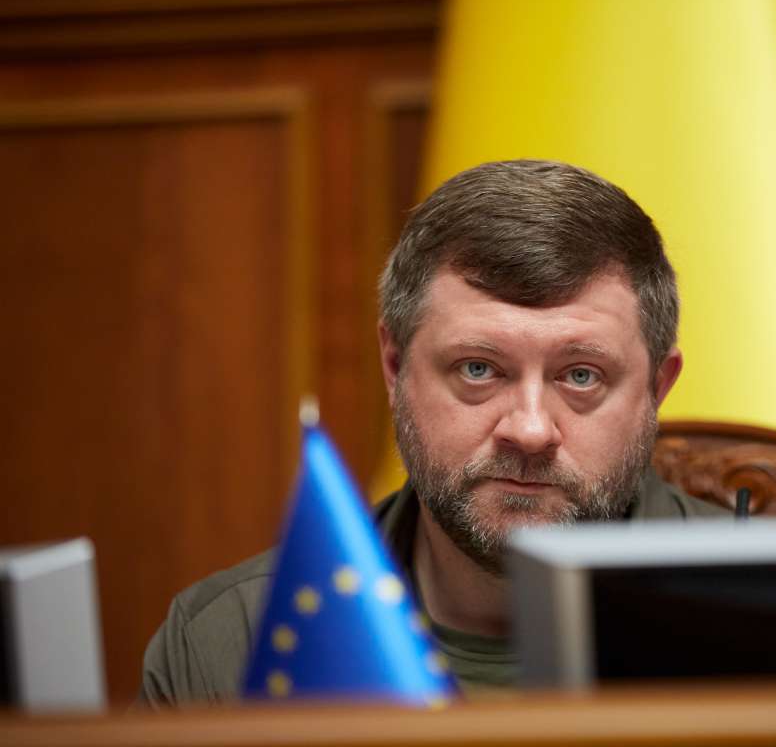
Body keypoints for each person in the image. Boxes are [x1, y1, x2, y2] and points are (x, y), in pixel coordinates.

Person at [138, 159, 727, 706]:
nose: (529, 430)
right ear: (394, 368)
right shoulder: (232, 645)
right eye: (478, 369)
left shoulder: (768, 616)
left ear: (657, 387)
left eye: (581, 375)